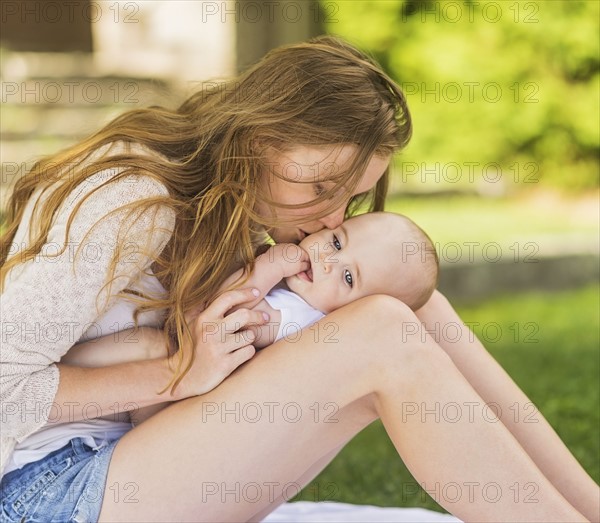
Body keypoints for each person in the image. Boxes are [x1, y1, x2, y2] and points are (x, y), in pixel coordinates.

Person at [0, 35, 598, 523]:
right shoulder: (135, 198)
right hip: (46, 494)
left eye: (350, 199)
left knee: (409, 300)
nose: (334, 218)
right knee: (381, 329)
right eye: (320, 189)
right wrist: (172, 373)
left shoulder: (234, 212)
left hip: (135, 467)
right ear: (260, 138)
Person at [60, 211, 439, 424]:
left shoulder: (300, 318)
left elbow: (234, 316)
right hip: (183, 389)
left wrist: (267, 268)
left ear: (359, 311)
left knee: (147, 346)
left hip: (175, 412)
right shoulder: (302, 297)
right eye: (337, 242)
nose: (328, 259)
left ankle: (58, 370)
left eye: (348, 277)